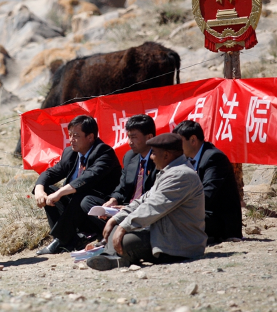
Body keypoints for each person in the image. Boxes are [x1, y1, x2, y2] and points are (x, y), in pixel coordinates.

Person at [87, 133, 206, 271]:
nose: (151, 157)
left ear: (166, 155)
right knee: (117, 228)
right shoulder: (169, 172)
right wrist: (116, 219)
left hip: (179, 243)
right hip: (164, 234)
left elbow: (153, 207)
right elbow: (143, 200)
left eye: (154, 153)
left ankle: (114, 257)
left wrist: (124, 226)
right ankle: (112, 256)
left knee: (126, 240)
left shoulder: (181, 175)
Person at [33, 115, 122, 255]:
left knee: (80, 193)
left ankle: (61, 240)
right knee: (48, 189)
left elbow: (87, 179)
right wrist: (39, 189)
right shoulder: (70, 153)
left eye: (76, 136)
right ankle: (69, 238)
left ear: (90, 137)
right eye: (70, 135)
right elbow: (51, 173)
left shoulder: (104, 152)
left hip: (96, 210)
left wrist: (60, 193)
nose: (71, 139)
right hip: (74, 212)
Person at [81, 114, 158, 234]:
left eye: (134, 137)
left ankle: (118, 233)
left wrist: (129, 208)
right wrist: (113, 200)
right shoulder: (130, 157)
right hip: (125, 206)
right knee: (88, 202)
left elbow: (156, 196)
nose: (129, 142)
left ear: (149, 137)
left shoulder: (160, 159)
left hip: (145, 209)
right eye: (128, 137)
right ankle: (117, 232)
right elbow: (121, 187)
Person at [173, 120, 242, 243]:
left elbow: (207, 194)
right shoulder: (186, 159)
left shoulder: (214, 158)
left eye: (179, 142)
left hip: (218, 220)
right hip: (199, 213)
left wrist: (179, 208)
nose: (176, 147)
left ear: (193, 140)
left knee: (175, 218)